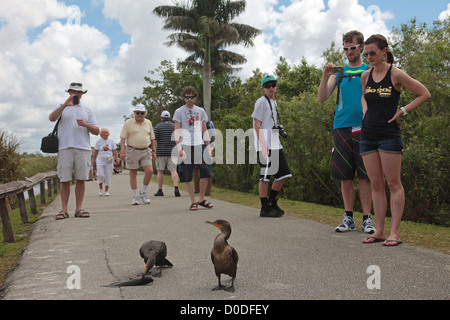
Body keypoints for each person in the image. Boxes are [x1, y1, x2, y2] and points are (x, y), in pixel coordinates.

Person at [360, 34, 431, 246]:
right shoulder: (366, 76)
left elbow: (424, 93)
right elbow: (365, 97)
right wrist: (365, 111)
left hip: (388, 136)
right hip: (367, 136)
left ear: (384, 51)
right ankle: (379, 231)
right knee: (376, 184)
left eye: (373, 53)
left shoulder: (396, 74)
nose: (369, 57)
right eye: (366, 54)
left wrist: (403, 111)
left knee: (393, 183)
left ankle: (394, 233)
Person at [318, 30, 374, 233]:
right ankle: (348, 218)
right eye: (346, 48)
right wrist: (325, 77)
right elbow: (322, 98)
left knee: (366, 176)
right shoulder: (339, 73)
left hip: (366, 127)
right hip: (341, 127)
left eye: (352, 47)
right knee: (345, 176)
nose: (349, 51)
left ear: (361, 47)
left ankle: (367, 219)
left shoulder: (369, 69)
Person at [49, 82, 99, 219]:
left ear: (82, 94)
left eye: (78, 92)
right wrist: (65, 105)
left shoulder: (87, 110)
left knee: (81, 179)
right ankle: (64, 209)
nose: (76, 94)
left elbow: (97, 131)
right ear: (69, 93)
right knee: (64, 179)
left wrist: (86, 124)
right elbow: (51, 118)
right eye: (73, 92)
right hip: (64, 147)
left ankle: (79, 208)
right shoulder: (61, 107)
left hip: (83, 148)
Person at [252, 75, 292, 218]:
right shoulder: (261, 102)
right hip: (265, 145)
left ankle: (272, 202)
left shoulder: (273, 103)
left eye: (273, 85)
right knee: (265, 177)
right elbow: (257, 123)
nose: (271, 88)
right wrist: (263, 145)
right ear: (263, 88)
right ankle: (264, 207)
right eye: (268, 85)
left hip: (275, 144)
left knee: (284, 174)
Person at [173, 86, 213, 211]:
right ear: (184, 97)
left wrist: (208, 147)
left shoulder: (200, 111)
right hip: (186, 145)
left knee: (206, 171)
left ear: (195, 97)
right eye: (187, 97)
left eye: (192, 97)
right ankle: (193, 201)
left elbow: (204, 130)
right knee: (187, 174)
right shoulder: (179, 111)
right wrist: (179, 147)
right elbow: (177, 131)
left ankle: (201, 198)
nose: (189, 99)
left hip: (199, 144)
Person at [120, 104, 156, 205]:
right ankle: (135, 196)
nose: (140, 115)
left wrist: (153, 150)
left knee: (149, 171)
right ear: (134, 113)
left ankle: (143, 192)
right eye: (138, 113)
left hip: (145, 150)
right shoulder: (128, 123)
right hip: (132, 150)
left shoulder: (148, 122)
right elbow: (123, 138)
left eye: (142, 113)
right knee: (133, 173)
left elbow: (152, 138)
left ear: (145, 113)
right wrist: (122, 151)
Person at [153, 110, 180, 197]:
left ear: (161, 117)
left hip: (161, 151)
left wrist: (153, 150)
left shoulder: (157, 127)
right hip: (172, 152)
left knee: (160, 171)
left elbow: (154, 139)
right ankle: (176, 187)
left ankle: (160, 190)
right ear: (169, 117)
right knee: (173, 170)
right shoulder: (174, 126)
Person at [93, 128, 118, 196]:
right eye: (103, 132)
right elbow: (96, 151)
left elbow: (115, 151)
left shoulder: (111, 141)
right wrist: (94, 160)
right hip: (100, 159)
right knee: (100, 174)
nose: (105, 134)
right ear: (101, 134)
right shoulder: (98, 142)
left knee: (108, 175)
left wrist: (116, 158)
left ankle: (106, 190)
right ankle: (100, 189)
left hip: (109, 159)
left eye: (106, 132)